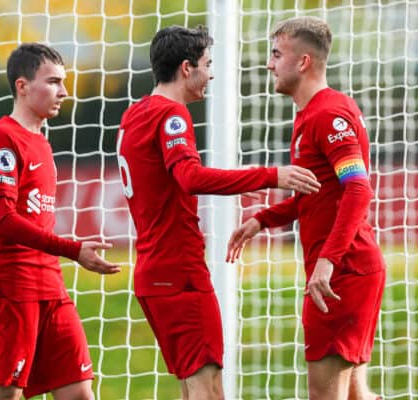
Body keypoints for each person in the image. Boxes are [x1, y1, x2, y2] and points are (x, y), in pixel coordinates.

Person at [116, 25, 321, 399]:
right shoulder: (171, 116)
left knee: (193, 388)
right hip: (179, 272)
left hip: (153, 271)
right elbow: (190, 177)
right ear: (185, 68)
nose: (211, 74)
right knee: (208, 389)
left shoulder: (135, 114)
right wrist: (272, 175)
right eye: (207, 65)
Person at [0, 43, 121, 400]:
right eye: (54, 82)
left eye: (64, 82)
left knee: (79, 392)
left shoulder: (40, 142)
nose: (63, 92)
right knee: (4, 396)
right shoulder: (1, 138)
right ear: (23, 86)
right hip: (11, 289)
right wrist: (74, 250)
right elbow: (2, 220)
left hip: (49, 286)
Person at [226, 17, 385, 400]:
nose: (269, 64)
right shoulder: (312, 113)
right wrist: (262, 220)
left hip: (341, 274)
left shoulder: (327, 115)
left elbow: (358, 189)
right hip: (348, 271)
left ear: (303, 62)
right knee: (355, 395)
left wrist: (328, 261)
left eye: (277, 54)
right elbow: (317, 194)